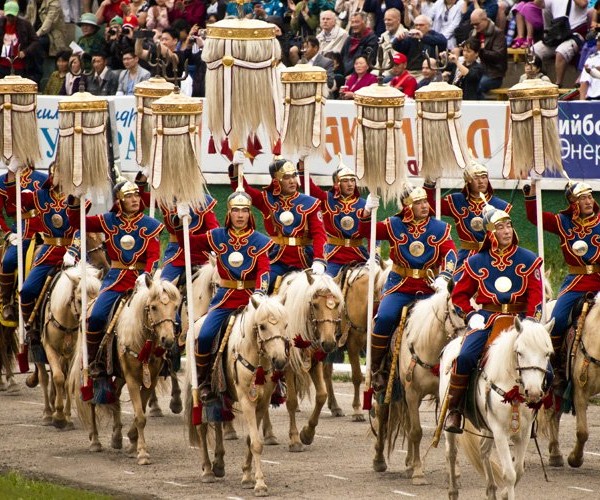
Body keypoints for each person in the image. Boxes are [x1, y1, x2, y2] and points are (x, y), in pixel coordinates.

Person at [444, 205, 543, 433]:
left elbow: (536, 297)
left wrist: (530, 322)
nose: (507, 231)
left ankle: (542, 405)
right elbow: (459, 296)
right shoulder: (477, 261)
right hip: (487, 318)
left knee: (542, 357)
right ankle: (455, 409)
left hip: (520, 319)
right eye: (500, 227)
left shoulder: (529, 259)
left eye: (509, 226)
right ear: (491, 233)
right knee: (466, 356)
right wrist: (470, 315)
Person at [174, 190, 272, 399]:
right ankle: (205, 381)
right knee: (206, 334)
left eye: (244, 211)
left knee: (275, 334)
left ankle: (276, 380)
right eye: (236, 210)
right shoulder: (217, 236)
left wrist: (260, 292)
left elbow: (264, 269)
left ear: (249, 214)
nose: (240, 215)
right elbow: (187, 244)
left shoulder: (260, 240)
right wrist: (179, 221)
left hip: (252, 298)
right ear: (229, 213)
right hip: (226, 298)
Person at [358, 186, 457, 390]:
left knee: (453, 320)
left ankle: (453, 369)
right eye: (418, 203)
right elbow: (366, 231)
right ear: (407, 206)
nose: (424, 206)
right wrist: (367, 211)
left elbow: (450, 254)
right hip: (400, 285)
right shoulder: (394, 224)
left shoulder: (439, 227)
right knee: (384, 317)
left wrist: (444, 276)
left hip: (430, 287)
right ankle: (376, 368)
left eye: (425, 202)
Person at [67, 181, 163, 386]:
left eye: (137, 195)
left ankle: (166, 359)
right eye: (129, 196)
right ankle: (95, 362)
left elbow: (154, 257)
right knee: (96, 316)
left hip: (142, 281)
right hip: (115, 279)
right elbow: (77, 222)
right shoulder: (108, 220)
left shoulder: (150, 224)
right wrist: (77, 199)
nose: (135, 199)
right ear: (119, 201)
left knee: (166, 316)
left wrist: (146, 275)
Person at [5, 164, 80, 385]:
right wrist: (11, 177)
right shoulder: (39, 195)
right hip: (48, 251)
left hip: (72, 253)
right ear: (51, 175)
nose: (60, 176)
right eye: (57, 173)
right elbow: (13, 203)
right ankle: (32, 328)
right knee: (27, 290)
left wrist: (74, 250)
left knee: (92, 288)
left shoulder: (76, 196)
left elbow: (80, 228)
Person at [523, 181, 600, 391]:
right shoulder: (563, 222)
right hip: (577, 282)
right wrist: (530, 196)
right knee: (556, 320)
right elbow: (534, 218)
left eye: (590, 196)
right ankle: (556, 369)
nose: (588, 201)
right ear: (573, 203)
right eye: (582, 198)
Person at [229, 152, 327, 290]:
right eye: (286, 177)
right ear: (276, 181)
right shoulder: (266, 200)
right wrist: (235, 167)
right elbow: (242, 190)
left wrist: (319, 260)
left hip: (306, 260)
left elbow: (319, 235)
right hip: (276, 259)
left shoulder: (311, 203)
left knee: (326, 293)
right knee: (257, 289)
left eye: (294, 176)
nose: (292, 181)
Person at [424, 160, 511, 277]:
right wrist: (429, 184)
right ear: (468, 181)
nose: (481, 181)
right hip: (465, 257)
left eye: (484, 177)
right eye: (476, 178)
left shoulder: (500, 205)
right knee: (456, 286)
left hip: (493, 256)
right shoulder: (457, 201)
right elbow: (429, 208)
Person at [135, 172, 220, 283]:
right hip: (176, 252)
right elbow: (139, 196)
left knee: (214, 284)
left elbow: (213, 228)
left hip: (201, 252)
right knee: (163, 287)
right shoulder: (165, 200)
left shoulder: (203, 201)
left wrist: (214, 249)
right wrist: (144, 176)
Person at [298, 158, 368, 278]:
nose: (350, 184)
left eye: (352, 180)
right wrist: (302, 168)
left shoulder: (365, 204)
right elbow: (309, 187)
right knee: (323, 286)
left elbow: (373, 232)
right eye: (345, 181)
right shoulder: (326, 199)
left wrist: (374, 258)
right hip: (333, 256)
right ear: (337, 184)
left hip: (359, 255)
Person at [0, 163, 47, 323]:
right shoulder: (2, 181)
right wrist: (8, 232)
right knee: (8, 261)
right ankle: (6, 302)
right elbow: (1, 213)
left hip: (43, 231)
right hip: (19, 231)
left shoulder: (43, 179)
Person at [532, 0, 588, 87]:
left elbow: (583, 4)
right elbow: (538, 3)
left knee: (561, 51)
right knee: (533, 51)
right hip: (557, 34)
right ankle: (535, 81)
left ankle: (558, 84)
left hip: (575, 33)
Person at [469, 8, 507, 98]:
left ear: (485, 19)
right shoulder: (473, 33)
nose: (475, 26)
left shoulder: (497, 33)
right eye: (473, 24)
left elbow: (498, 56)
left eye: (477, 24)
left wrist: (481, 52)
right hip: (476, 70)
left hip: (493, 74)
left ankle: (481, 110)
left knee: (478, 86)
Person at [0, 2, 39, 81]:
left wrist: (25, 52)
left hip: (19, 66)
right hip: (2, 64)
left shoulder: (25, 25)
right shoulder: (1, 23)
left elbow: (35, 41)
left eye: (12, 16)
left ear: (17, 14)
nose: (10, 18)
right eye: (8, 15)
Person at [339, 11, 378, 76]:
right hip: (344, 74)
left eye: (357, 22)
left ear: (364, 22)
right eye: (352, 22)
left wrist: (353, 76)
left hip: (359, 75)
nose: (354, 25)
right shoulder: (349, 39)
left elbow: (369, 62)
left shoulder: (372, 39)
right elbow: (341, 57)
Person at [580, 34, 600, 100]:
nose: (598, 43)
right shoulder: (591, 59)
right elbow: (584, 82)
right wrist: (581, 104)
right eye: (598, 41)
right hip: (594, 99)